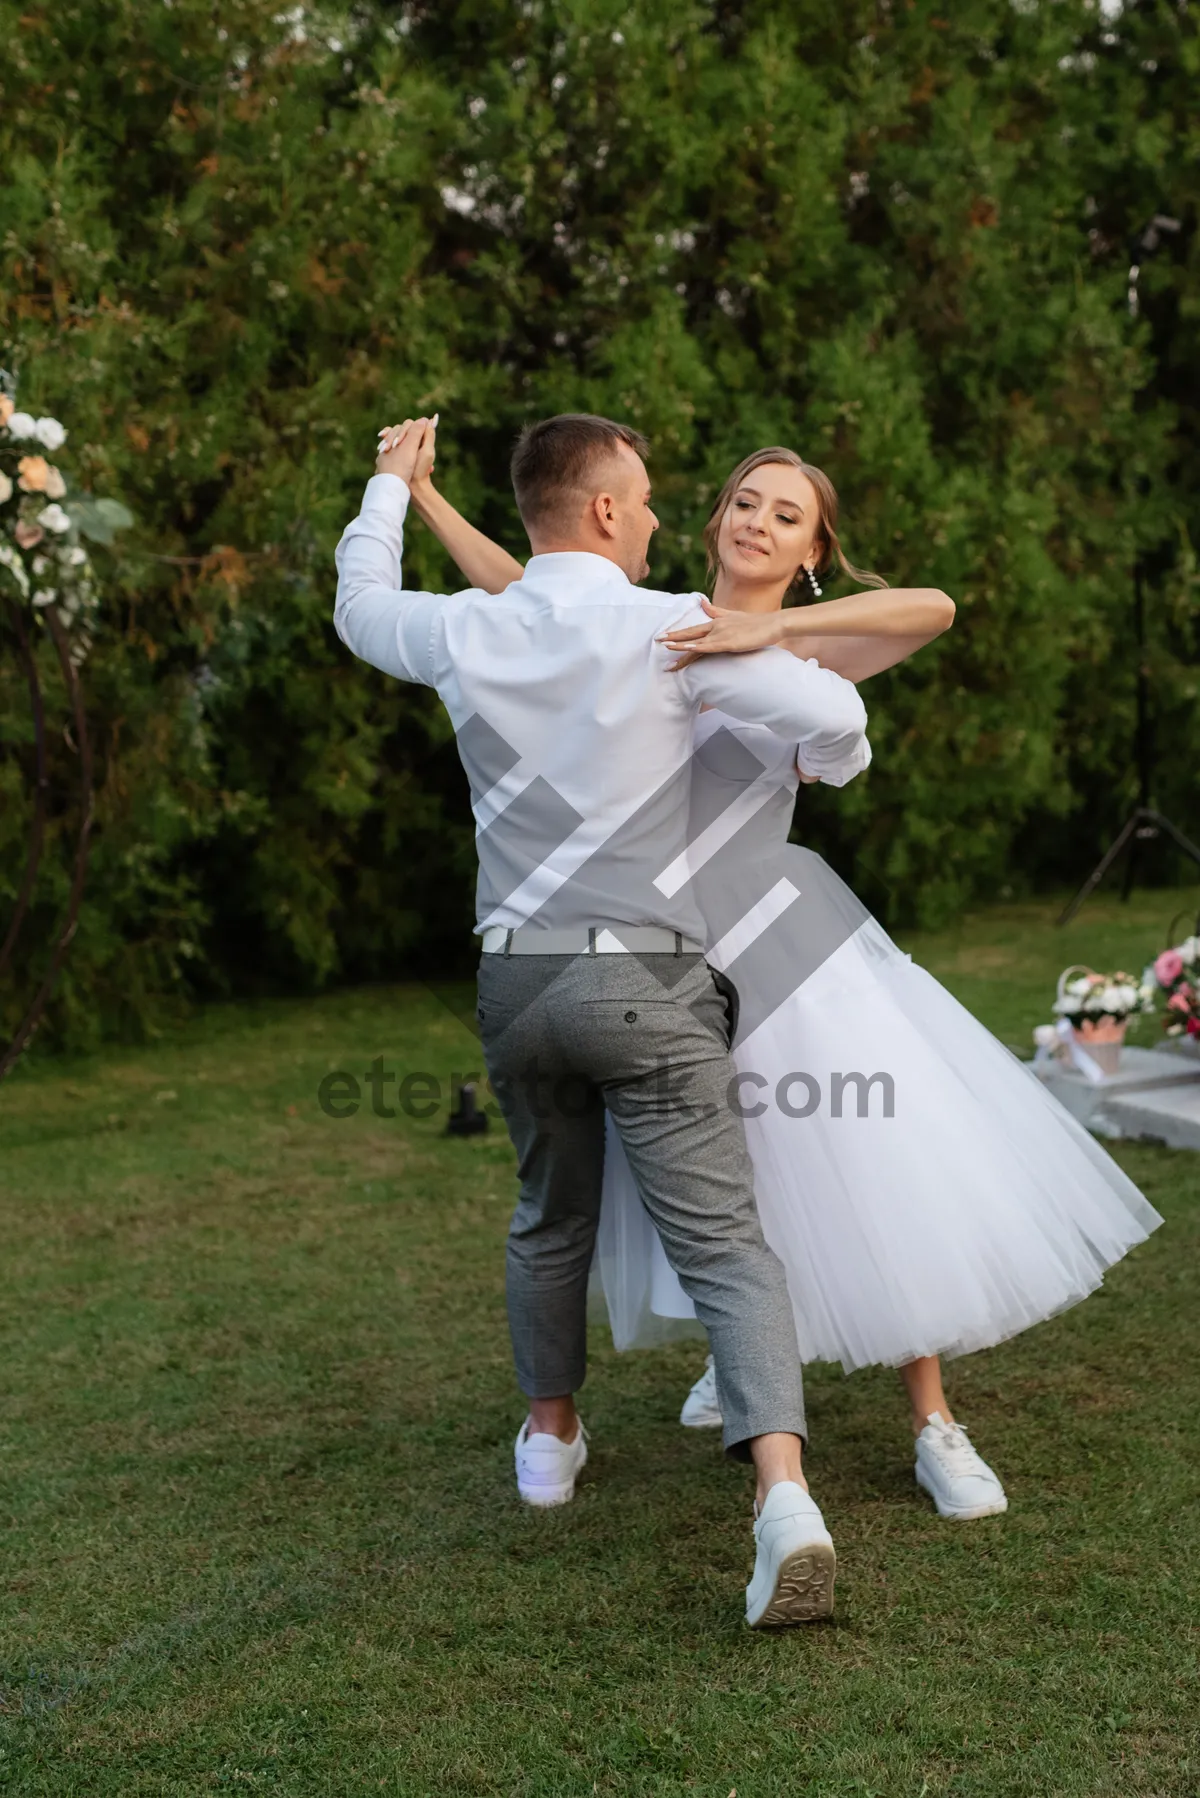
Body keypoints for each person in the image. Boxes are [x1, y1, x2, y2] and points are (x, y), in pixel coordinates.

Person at [402, 428, 1163, 1525]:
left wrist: (775, 626)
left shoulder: (807, 649)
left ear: (812, 548)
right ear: (711, 520)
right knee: (731, 1195)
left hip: (785, 952)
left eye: (788, 514)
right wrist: (425, 497)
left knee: (867, 1181)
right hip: (660, 964)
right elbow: (521, 590)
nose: (760, 520)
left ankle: (935, 1421)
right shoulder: (639, 625)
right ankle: (752, 1361)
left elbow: (934, 608)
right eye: (746, 502)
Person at [336, 411, 890, 1628]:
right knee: (727, 1247)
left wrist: (391, 489)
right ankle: (785, 1501)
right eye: (640, 500)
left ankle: (548, 1442)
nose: (655, 518)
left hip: (516, 985)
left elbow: (360, 603)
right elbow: (841, 729)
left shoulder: (465, 628)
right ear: (599, 510)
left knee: (547, 1217)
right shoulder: (670, 630)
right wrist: (779, 660)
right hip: (649, 980)